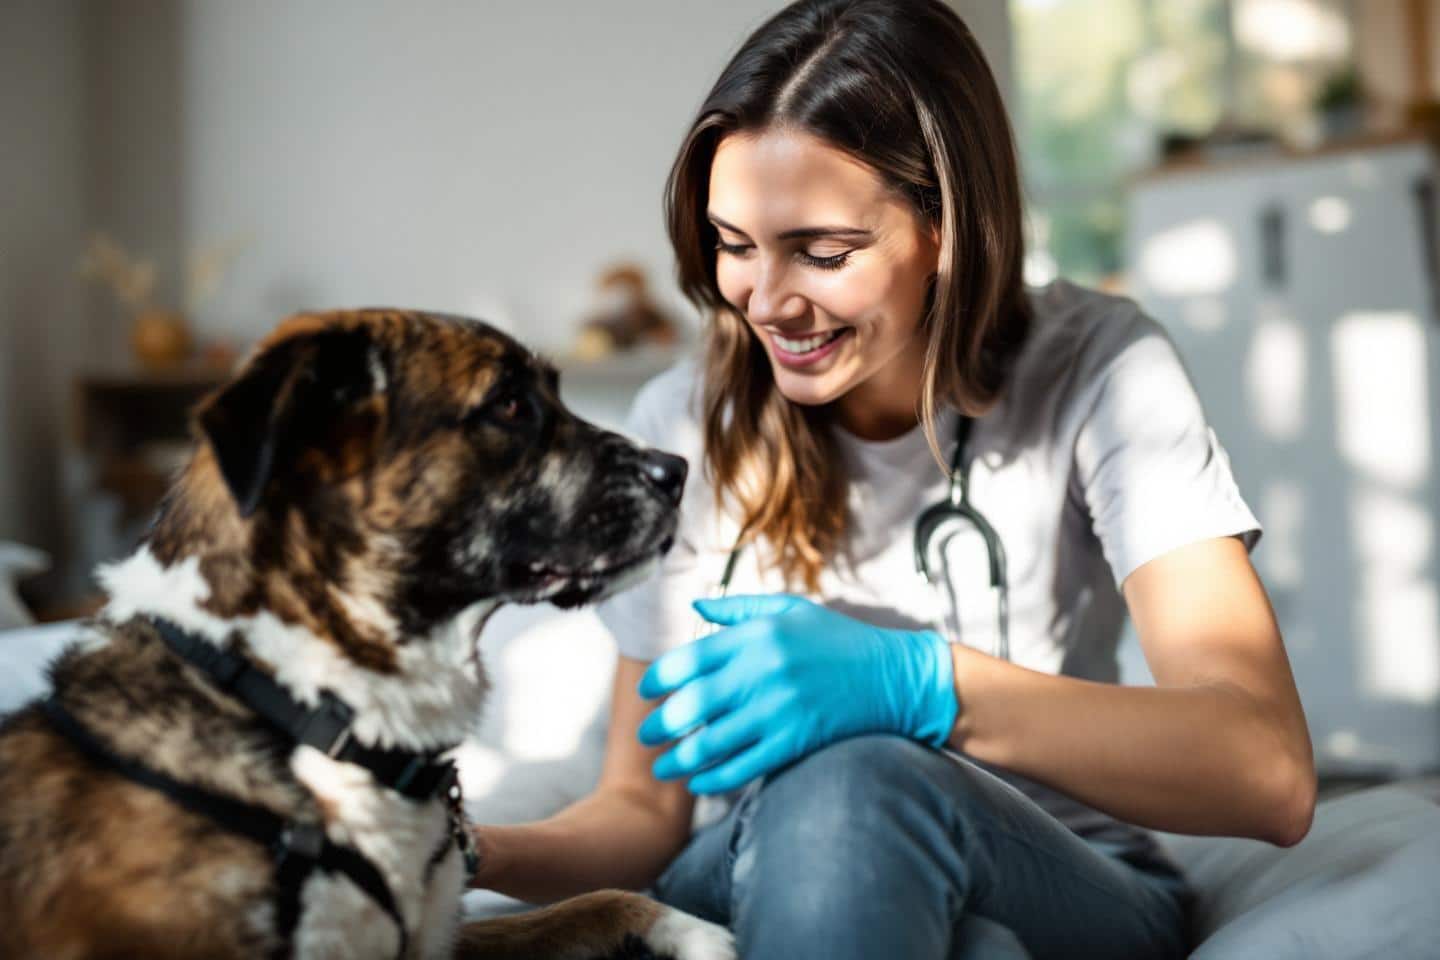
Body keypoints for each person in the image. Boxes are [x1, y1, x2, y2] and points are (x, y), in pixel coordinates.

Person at [470, 1, 1316, 957]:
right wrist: (465, 845)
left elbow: (1268, 770)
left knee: (857, 778)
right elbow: (640, 811)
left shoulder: (1100, 370)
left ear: (949, 226)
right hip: (757, 860)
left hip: (1072, 879)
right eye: (734, 245)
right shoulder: (689, 421)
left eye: (823, 253)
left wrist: (922, 686)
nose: (768, 302)